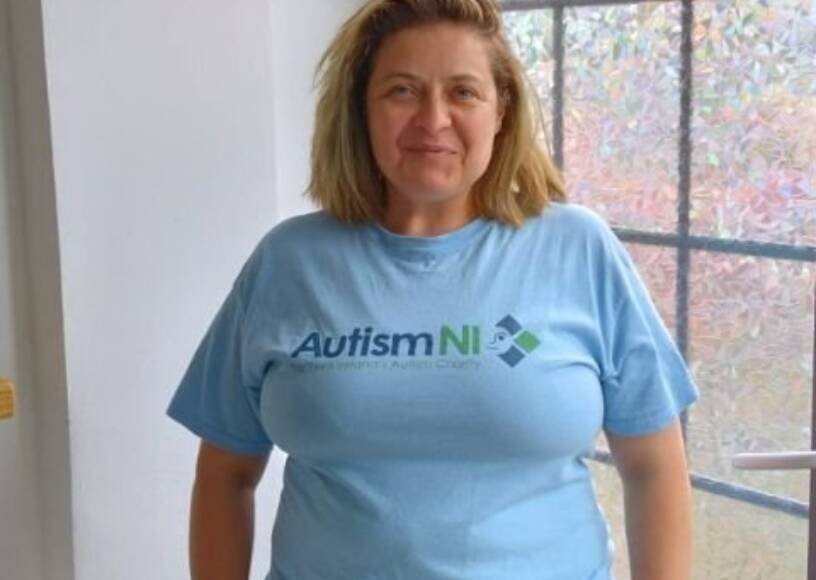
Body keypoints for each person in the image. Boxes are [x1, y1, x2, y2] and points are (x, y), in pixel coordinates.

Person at [166, 0, 700, 578]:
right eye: (401, 90)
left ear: (502, 111)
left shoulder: (578, 249)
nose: (433, 118)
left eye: (464, 92)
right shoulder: (288, 263)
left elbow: (653, 468)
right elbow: (225, 475)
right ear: (361, 111)